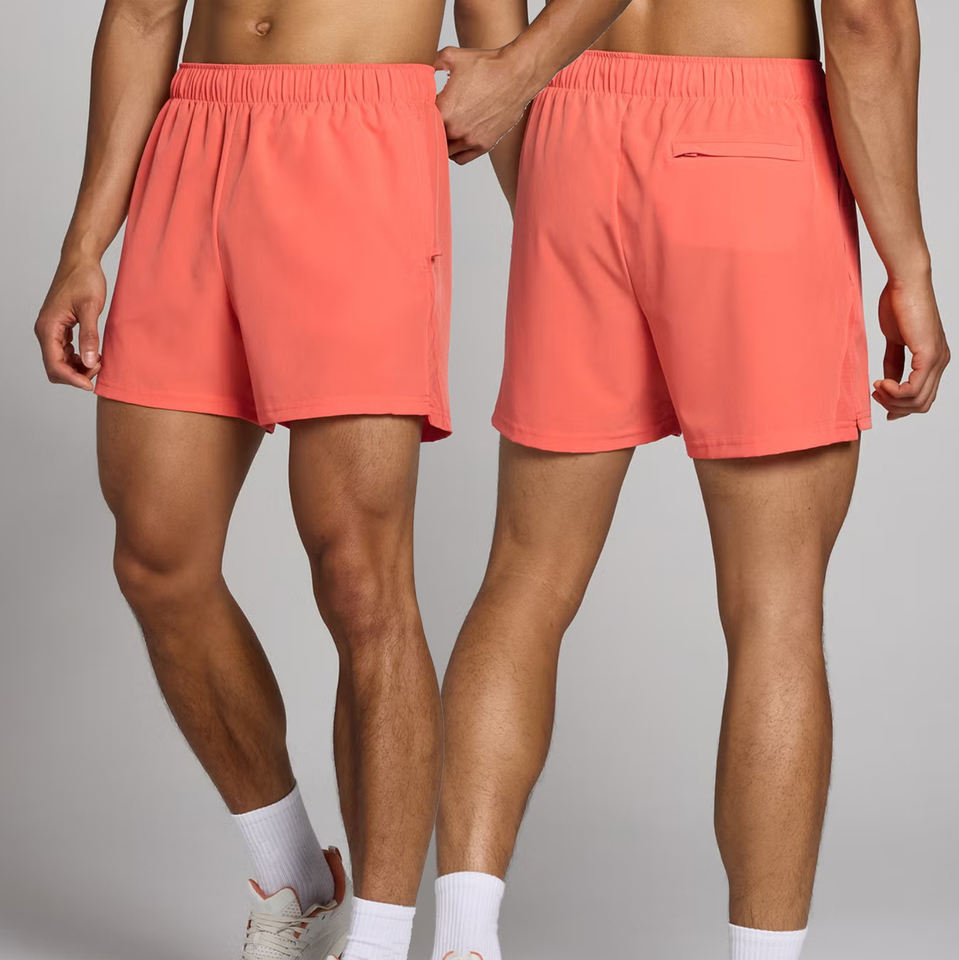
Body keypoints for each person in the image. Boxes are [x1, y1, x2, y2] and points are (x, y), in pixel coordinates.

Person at [33, 1, 631, 958]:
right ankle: (294, 874)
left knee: (358, 578)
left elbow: (499, 28)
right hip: (194, 137)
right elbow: (142, 15)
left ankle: (380, 942)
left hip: (359, 140)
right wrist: (84, 244)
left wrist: (521, 76)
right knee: (156, 560)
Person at [433, 2, 950, 959]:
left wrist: (540, 156)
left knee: (524, 578)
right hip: (748, 140)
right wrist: (908, 263)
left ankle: (463, 938)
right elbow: (866, 19)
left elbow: (489, 10)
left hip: (571, 126)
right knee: (775, 608)